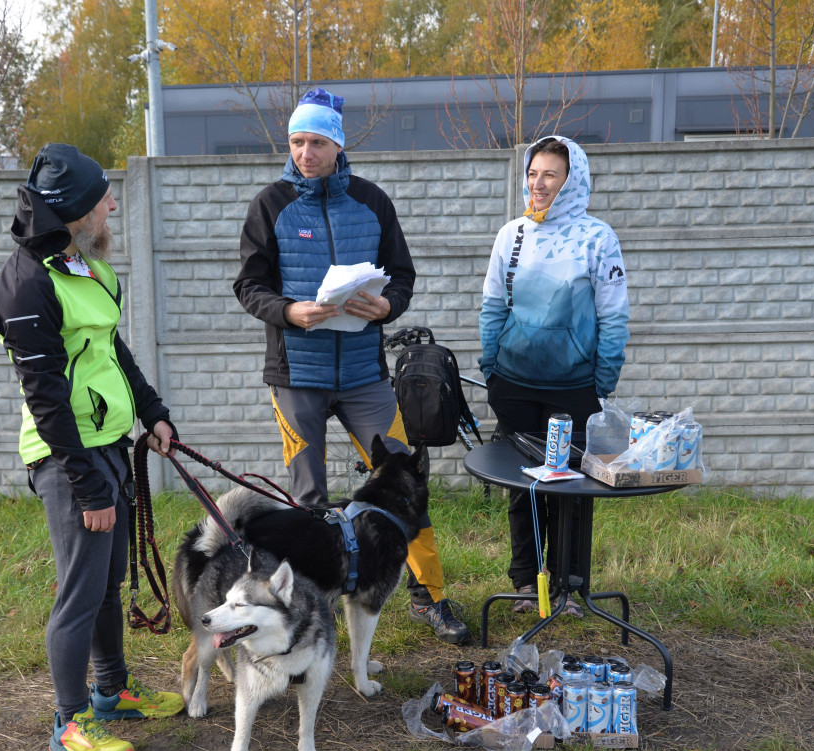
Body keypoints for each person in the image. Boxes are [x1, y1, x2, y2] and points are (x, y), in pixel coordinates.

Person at [234, 88, 470, 645]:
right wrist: (288, 311)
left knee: (404, 488)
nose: (305, 152)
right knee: (309, 503)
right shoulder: (269, 205)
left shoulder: (372, 202)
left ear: (338, 144)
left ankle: (430, 598)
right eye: (296, 141)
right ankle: (308, 614)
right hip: (298, 378)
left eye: (316, 141)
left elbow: (402, 275)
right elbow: (248, 286)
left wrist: (390, 305)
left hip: (366, 377)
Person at [0, 143, 184, 751]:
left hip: (107, 449)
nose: (113, 204)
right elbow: (45, 398)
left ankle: (111, 690)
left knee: (108, 583)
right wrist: (87, 488)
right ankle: (68, 722)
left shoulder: (86, 267)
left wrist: (153, 411)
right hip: (66, 458)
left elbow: (113, 351)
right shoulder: (26, 282)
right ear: (77, 209)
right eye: (105, 198)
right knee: (79, 591)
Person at [478, 135, 629, 616]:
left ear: (572, 180)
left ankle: (568, 586)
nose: (538, 184)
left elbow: (615, 316)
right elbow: (492, 306)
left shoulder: (598, 238)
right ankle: (526, 583)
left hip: (574, 388)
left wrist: (601, 379)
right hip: (515, 385)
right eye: (533, 173)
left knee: (572, 489)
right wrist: (491, 367)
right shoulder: (512, 234)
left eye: (550, 175)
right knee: (525, 489)